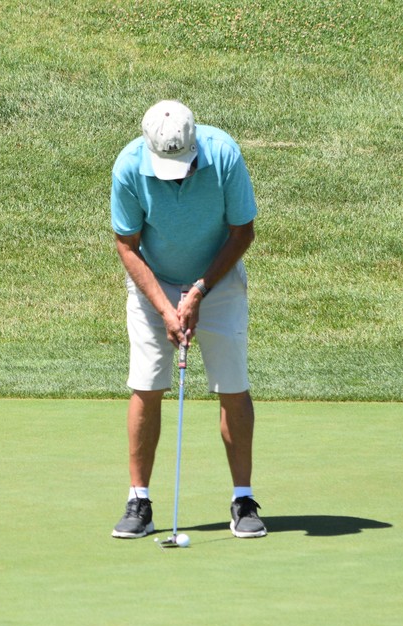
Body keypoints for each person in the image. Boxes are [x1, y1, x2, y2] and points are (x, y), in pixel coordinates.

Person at [108, 100, 266, 540]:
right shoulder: (128, 167)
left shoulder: (225, 154)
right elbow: (126, 245)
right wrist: (165, 307)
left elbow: (243, 232)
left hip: (218, 277)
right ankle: (139, 501)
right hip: (153, 281)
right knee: (146, 383)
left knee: (232, 385)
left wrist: (198, 291)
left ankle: (243, 499)